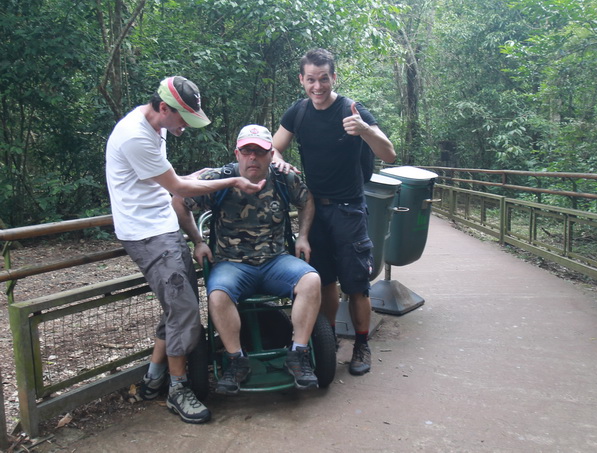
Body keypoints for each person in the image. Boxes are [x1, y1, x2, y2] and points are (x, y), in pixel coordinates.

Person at [105, 76, 265, 424]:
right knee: (185, 312)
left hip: (162, 223)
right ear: (164, 108)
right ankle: (178, 390)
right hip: (147, 234)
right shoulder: (135, 136)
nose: (184, 127)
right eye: (182, 119)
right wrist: (236, 179)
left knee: (176, 307)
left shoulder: (154, 124)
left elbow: (163, 182)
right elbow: (178, 186)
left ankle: (152, 379)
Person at [271, 48, 397, 376]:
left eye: (323, 79)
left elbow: (390, 153)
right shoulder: (298, 113)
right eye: (311, 79)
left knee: (356, 284)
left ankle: (361, 344)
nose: (317, 86)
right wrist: (279, 161)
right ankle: (327, 345)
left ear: (333, 77)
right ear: (301, 80)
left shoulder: (352, 111)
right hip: (314, 210)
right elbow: (270, 148)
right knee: (323, 280)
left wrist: (364, 129)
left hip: (350, 210)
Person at [172, 124, 322, 393]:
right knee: (217, 295)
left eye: (260, 151)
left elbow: (307, 200)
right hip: (232, 265)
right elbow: (179, 200)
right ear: (237, 153)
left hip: (275, 261)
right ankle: (236, 360)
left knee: (312, 280)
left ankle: (298, 354)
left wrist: (303, 236)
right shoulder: (219, 179)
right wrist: (198, 241)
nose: (253, 157)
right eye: (247, 151)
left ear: (271, 154)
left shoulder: (284, 178)